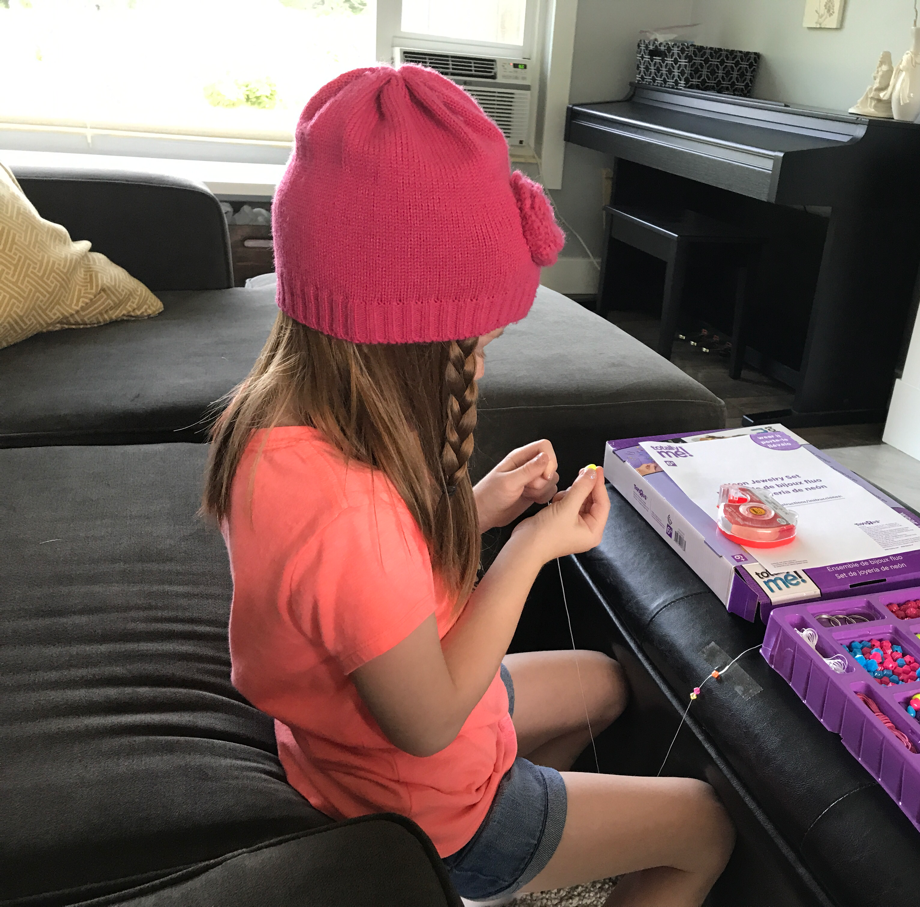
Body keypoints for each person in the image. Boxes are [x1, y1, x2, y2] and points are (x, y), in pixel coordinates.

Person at [201, 65, 734, 907]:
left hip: (341, 751)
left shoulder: (279, 423)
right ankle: (495, 860)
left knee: (601, 683)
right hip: (424, 802)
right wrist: (529, 548)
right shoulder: (349, 506)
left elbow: (353, 591)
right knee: (703, 825)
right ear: (405, 342)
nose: (481, 365)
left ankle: (521, 863)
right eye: (474, 346)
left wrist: (478, 505)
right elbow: (427, 722)